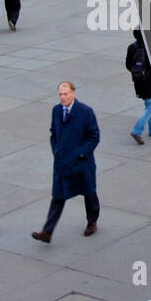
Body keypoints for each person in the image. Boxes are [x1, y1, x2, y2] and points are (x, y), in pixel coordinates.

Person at [32, 81, 100, 243]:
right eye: (60, 94)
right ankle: (47, 232)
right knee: (58, 196)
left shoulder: (85, 112)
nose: (62, 97)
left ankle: (92, 222)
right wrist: (56, 150)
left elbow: (94, 136)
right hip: (62, 162)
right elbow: (53, 133)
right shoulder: (56, 111)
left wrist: (80, 153)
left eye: (66, 93)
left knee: (89, 192)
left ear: (73, 94)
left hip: (81, 163)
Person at [125, 27, 151, 144]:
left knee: (148, 104)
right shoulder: (150, 48)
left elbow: (128, 65)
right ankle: (136, 131)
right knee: (150, 106)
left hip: (138, 82)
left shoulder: (131, 47)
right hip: (149, 82)